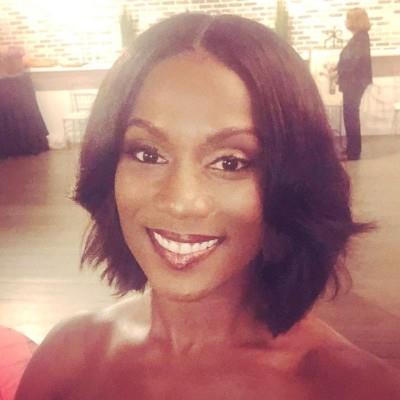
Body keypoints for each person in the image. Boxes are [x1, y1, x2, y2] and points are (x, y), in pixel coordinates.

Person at [16, 13, 400, 400]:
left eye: (230, 162)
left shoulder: (355, 388)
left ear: (293, 179)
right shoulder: (68, 357)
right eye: (148, 154)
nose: (181, 202)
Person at [337, 7, 372, 161]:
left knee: (350, 116)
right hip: (354, 82)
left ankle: (353, 152)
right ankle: (351, 149)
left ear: (355, 21)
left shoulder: (361, 38)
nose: (346, 21)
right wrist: (338, 68)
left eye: (348, 18)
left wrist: (339, 70)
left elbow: (353, 61)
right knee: (350, 115)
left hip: (354, 82)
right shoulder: (360, 37)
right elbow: (351, 60)